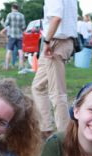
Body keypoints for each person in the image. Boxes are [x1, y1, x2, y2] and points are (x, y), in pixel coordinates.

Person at [31, 0, 77, 141]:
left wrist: (46, 42)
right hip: (60, 42)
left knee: (57, 93)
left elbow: (56, 17)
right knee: (37, 86)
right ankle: (46, 129)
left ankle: (64, 137)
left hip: (55, 43)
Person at [1, 4, 26, 71]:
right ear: (17, 8)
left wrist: (2, 22)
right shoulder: (22, 15)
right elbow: (23, 27)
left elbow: (6, 25)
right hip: (19, 36)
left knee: (9, 51)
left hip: (11, 36)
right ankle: (22, 67)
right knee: (20, 51)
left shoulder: (9, 15)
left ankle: (7, 67)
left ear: (12, 8)